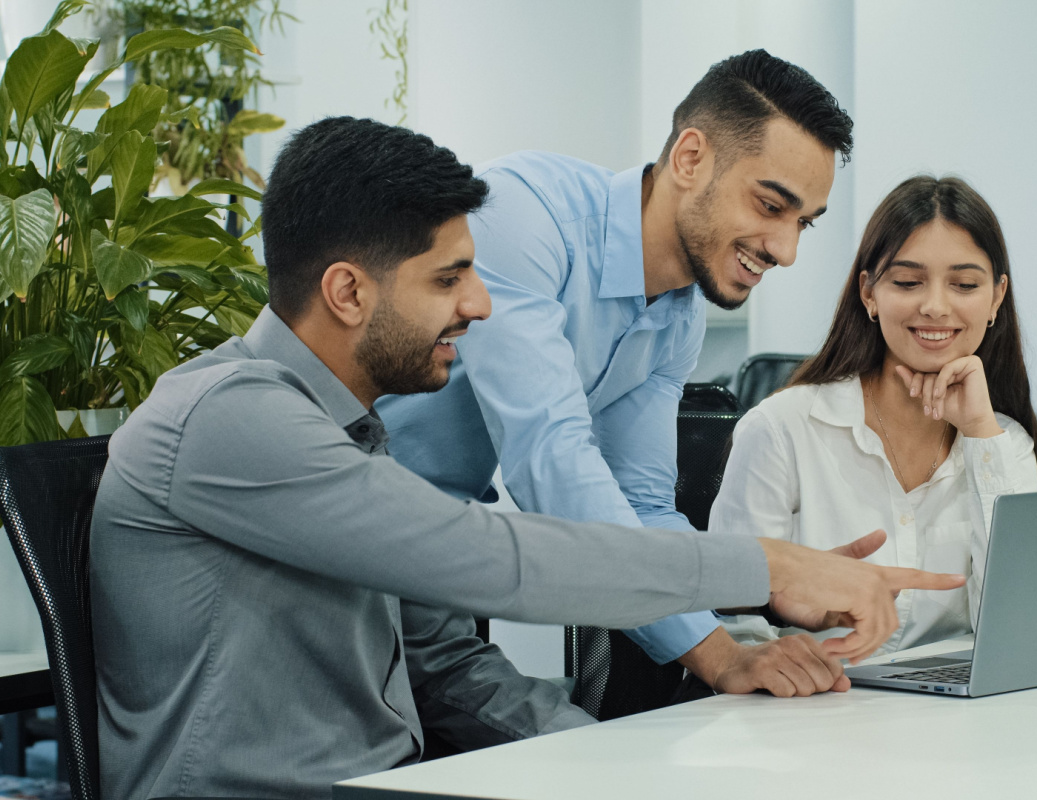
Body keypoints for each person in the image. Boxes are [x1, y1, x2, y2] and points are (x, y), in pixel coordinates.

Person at [88, 118, 964, 800]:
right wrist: (761, 569)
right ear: (348, 292)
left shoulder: (351, 435)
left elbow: (443, 657)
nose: (479, 304)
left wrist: (612, 758)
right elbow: (492, 556)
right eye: (447, 279)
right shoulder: (230, 419)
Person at [378, 50, 859, 702]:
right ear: (690, 158)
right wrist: (762, 580)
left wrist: (731, 652)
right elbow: (552, 460)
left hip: (437, 568)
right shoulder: (523, 216)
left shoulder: (678, 319)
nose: (786, 249)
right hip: (338, 545)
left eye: (802, 222)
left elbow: (643, 504)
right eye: (771, 205)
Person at [710, 175, 1037, 658]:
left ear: (996, 298)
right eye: (908, 282)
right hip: (811, 708)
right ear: (869, 293)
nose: (935, 306)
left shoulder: (1005, 443)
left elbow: (1022, 624)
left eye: (965, 284)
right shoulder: (782, 429)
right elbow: (729, 617)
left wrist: (979, 434)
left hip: (958, 718)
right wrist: (774, 656)